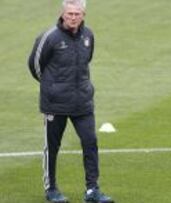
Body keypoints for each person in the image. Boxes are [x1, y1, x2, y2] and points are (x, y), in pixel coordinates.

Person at [28, 0, 114, 202]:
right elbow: (34, 65)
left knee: (90, 142)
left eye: (77, 14)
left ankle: (92, 190)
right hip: (55, 104)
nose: (73, 17)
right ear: (62, 14)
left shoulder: (88, 36)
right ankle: (51, 189)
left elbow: (86, 60)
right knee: (52, 146)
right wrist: (51, 87)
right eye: (69, 13)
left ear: (83, 15)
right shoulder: (49, 37)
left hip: (82, 102)